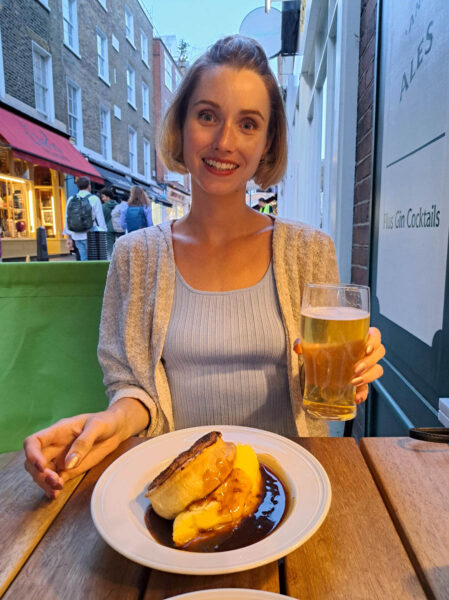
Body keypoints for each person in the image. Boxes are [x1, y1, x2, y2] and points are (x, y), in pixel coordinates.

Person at [24, 35, 385, 499]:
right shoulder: (135, 257)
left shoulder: (309, 251)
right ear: (182, 124)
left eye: (249, 124)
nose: (224, 142)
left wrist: (352, 370)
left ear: (268, 142)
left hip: (289, 491)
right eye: (207, 115)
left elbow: (322, 387)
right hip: (179, 489)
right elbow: (135, 391)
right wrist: (109, 421)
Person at [64, 177, 106, 261]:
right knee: (93, 259)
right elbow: (100, 219)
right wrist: (103, 234)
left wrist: (69, 236)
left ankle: (85, 273)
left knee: (83, 259)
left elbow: (67, 217)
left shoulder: (71, 199)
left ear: (78, 187)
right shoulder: (94, 199)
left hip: (76, 235)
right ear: (89, 186)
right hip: (91, 235)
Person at [99, 187, 120, 258]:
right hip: (118, 228)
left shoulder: (103, 207)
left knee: (110, 246)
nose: (102, 199)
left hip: (108, 228)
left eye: (103, 197)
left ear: (108, 197)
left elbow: (102, 219)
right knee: (118, 245)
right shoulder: (117, 204)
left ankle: (112, 261)